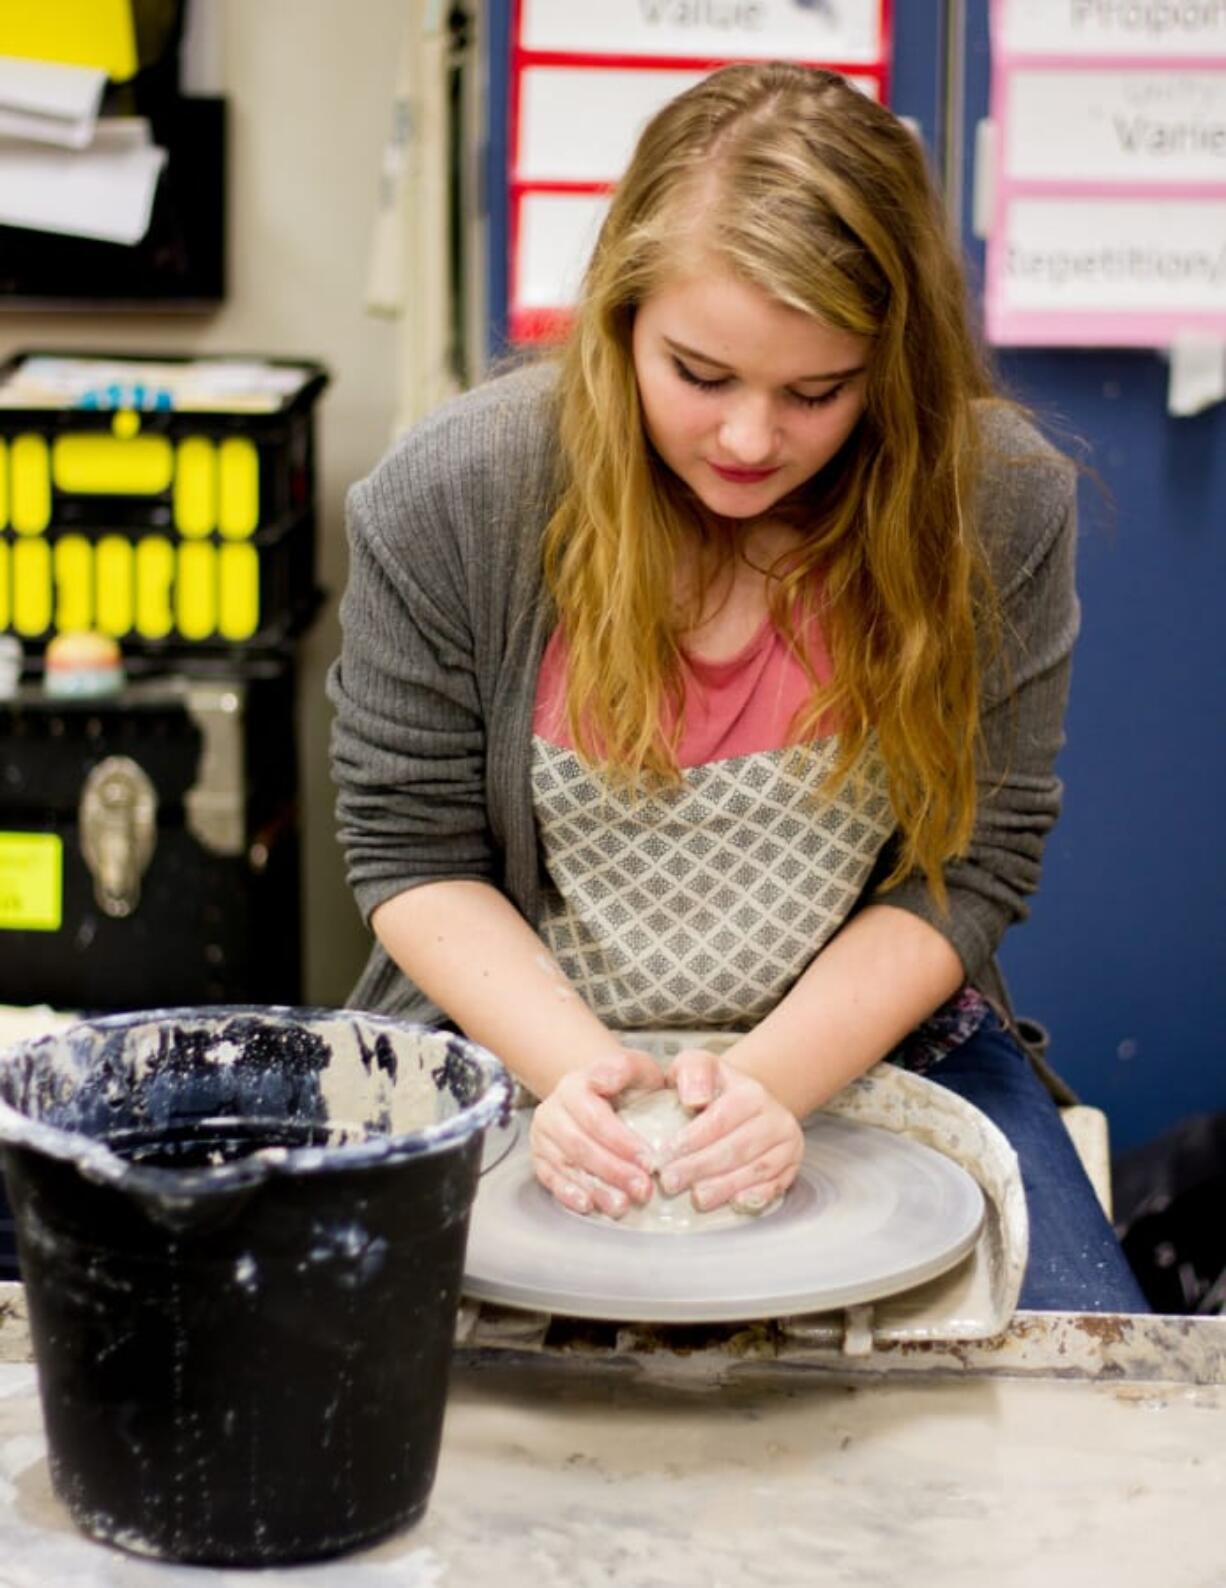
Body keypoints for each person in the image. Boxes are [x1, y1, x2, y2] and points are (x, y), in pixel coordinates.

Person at [329, 62, 1147, 1313]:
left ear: (894, 364)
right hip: (515, 1033)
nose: (750, 440)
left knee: (1080, 1392)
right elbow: (408, 851)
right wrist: (581, 1081)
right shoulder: (453, 498)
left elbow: (969, 870)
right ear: (618, 320)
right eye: (699, 375)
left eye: (816, 391)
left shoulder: (993, 506)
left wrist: (771, 1080)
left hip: (867, 1036)